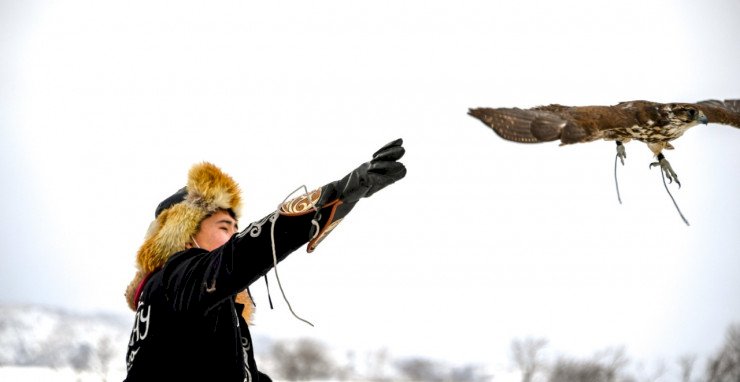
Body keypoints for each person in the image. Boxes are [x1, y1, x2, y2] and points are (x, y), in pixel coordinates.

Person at [123, 139, 406, 381]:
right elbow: (243, 252)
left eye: (236, 228)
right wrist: (328, 200)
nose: (234, 235)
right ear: (184, 236)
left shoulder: (188, 299)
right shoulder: (177, 276)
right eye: (224, 227)